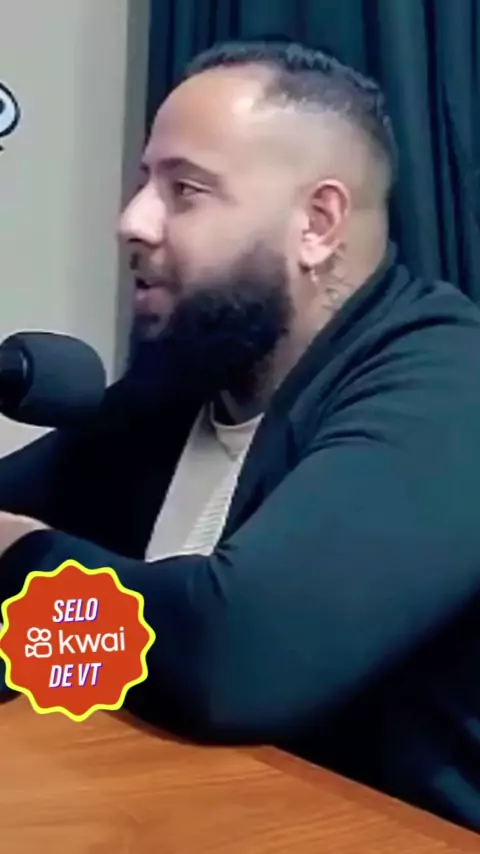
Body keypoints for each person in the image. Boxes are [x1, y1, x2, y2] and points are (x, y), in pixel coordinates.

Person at [0, 39, 480, 831]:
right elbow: (97, 635)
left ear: (317, 223)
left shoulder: (448, 384)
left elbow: (238, 658)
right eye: (144, 182)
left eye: (185, 190)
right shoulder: (188, 381)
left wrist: (20, 556)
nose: (133, 220)